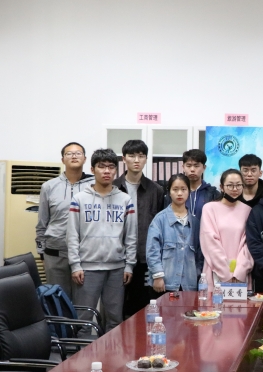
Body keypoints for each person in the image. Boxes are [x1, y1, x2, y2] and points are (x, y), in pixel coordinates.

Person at [67, 149, 136, 334]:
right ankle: (82, 353)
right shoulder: (79, 199)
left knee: (115, 320)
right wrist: (75, 265)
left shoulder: (125, 200)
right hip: (87, 268)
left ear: (116, 170)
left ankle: (111, 353)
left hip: (117, 269)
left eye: (111, 167)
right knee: (84, 321)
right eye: (101, 166)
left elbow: (131, 236)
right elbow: (72, 235)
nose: (107, 171)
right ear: (92, 169)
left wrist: (129, 265)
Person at [36, 142, 94, 300]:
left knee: (84, 302)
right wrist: (41, 253)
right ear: (62, 159)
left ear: (85, 159)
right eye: (69, 153)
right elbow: (42, 223)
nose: (74, 156)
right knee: (58, 301)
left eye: (78, 153)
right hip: (55, 254)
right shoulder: (49, 186)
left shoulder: (94, 185)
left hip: (85, 255)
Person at [113, 140, 164, 317]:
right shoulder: (113, 187)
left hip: (144, 258)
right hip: (117, 257)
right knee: (117, 309)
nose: (136, 160)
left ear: (146, 159)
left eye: (141, 156)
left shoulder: (156, 190)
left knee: (143, 308)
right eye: (132, 156)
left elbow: (160, 226)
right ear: (123, 158)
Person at [200, 169, 253, 290]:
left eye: (238, 185)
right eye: (230, 185)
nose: (235, 189)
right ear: (221, 187)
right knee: (214, 302)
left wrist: (239, 272)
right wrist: (226, 274)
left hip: (241, 275)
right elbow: (210, 242)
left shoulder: (248, 210)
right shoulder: (209, 208)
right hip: (215, 271)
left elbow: (248, 244)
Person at [146, 174, 196, 296]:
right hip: (165, 283)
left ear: (189, 191)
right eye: (175, 189)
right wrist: (157, 276)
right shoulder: (160, 219)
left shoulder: (195, 222)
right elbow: (152, 250)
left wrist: (198, 275)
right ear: (169, 192)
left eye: (183, 189)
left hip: (189, 284)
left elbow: (200, 254)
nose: (179, 193)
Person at [182, 149, 220, 277]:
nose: (192, 169)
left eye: (196, 166)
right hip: (181, 247)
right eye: (189, 165)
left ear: (204, 168)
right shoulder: (176, 193)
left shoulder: (213, 194)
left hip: (206, 248)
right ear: (183, 167)